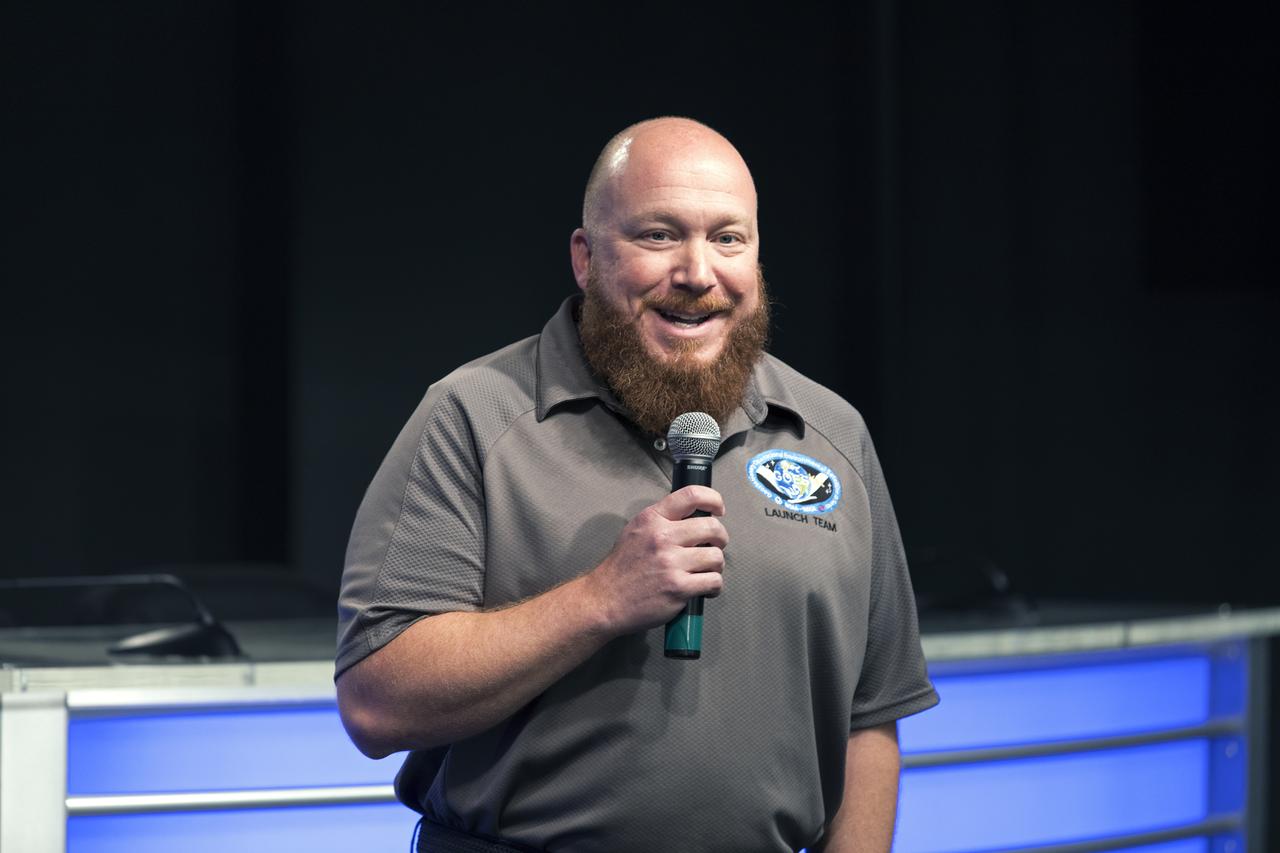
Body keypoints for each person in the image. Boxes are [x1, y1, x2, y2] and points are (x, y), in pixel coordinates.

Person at [335, 117, 938, 852]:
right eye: (659, 235)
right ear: (586, 258)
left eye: (728, 238)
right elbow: (375, 702)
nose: (697, 272)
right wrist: (600, 599)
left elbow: (870, 715)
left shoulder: (832, 435)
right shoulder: (474, 415)